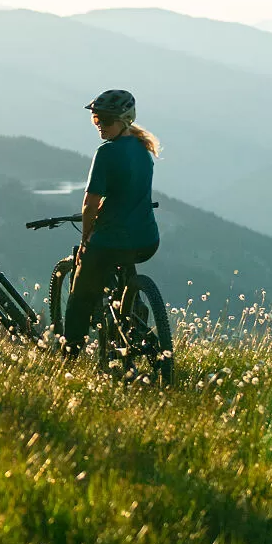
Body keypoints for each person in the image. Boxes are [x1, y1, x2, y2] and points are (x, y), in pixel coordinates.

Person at [61, 89, 160, 356]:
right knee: (123, 263)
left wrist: (85, 240)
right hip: (148, 240)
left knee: (81, 295)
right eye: (96, 121)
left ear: (125, 120)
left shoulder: (107, 152)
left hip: (111, 241)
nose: (100, 127)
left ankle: (68, 355)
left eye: (105, 121)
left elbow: (90, 205)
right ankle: (133, 317)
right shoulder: (143, 147)